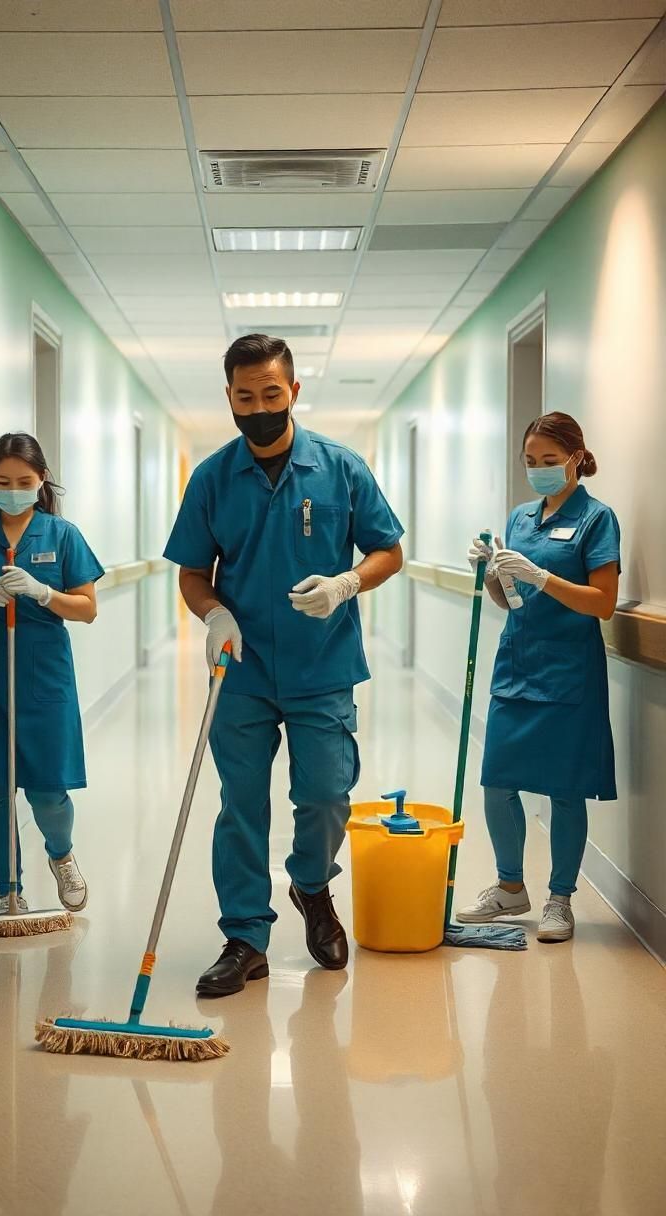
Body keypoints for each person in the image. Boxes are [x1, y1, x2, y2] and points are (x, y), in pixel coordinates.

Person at [164, 334, 404, 996]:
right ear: (230, 399)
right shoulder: (213, 478)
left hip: (321, 668)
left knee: (325, 796)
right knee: (241, 807)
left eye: (272, 393)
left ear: (294, 391)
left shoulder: (340, 469)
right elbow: (191, 572)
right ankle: (245, 937)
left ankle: (309, 883)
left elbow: (389, 550)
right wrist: (215, 614)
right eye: (246, 396)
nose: (259, 406)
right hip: (240, 672)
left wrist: (348, 584)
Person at [458, 412, 620, 942]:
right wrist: (494, 573)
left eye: (550, 461)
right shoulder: (522, 517)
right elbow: (513, 600)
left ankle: (560, 899)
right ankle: (510, 888)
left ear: (575, 458)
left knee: (564, 790)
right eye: (531, 461)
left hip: (570, 671)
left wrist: (543, 575)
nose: (539, 470)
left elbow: (604, 604)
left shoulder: (597, 519)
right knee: (497, 781)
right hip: (518, 665)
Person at [0, 433, 104, 915]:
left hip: (45, 672)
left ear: (41, 481)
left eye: (24, 481)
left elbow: (87, 609)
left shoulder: (63, 535)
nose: (12, 489)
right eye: (2, 481)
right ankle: (7, 892)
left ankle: (61, 855)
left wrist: (42, 593)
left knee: (47, 789)